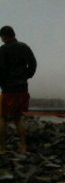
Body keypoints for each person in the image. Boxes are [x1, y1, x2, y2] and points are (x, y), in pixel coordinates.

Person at [0, 26, 37, 154]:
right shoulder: (24, 47)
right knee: (18, 118)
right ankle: (23, 147)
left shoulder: (3, 50)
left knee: (3, 117)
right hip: (22, 88)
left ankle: (2, 148)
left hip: (8, 89)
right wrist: (27, 75)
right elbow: (33, 63)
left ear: (4, 36)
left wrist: (2, 84)